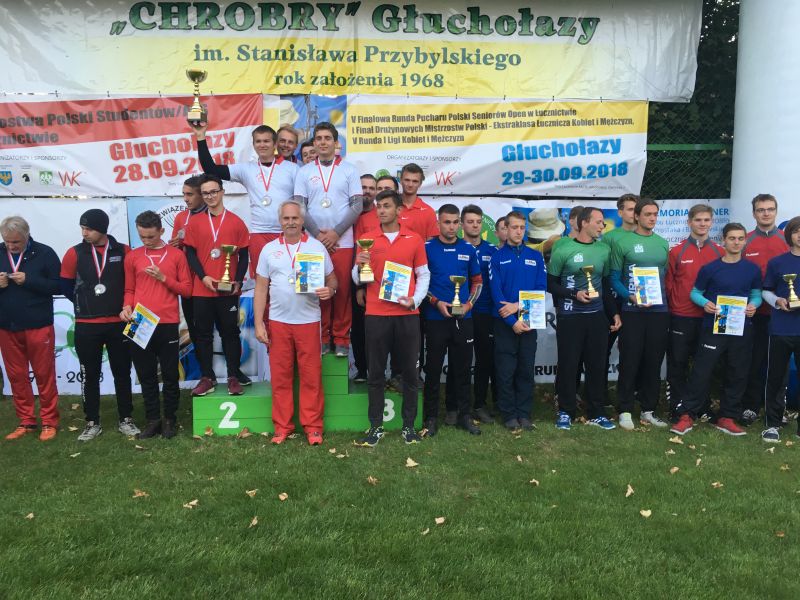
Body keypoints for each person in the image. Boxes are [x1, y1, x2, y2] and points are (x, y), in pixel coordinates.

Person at [254, 200, 337, 445]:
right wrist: (259, 323)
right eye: (286, 218)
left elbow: (332, 279)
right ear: (280, 221)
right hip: (278, 322)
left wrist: (330, 291)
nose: (290, 222)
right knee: (281, 378)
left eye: (295, 218)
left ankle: (313, 427)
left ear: (302, 221)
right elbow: (261, 289)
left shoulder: (316, 247)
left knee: (311, 377)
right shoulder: (269, 250)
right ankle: (282, 427)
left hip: (308, 321)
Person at [353, 190, 430, 447]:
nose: (381, 210)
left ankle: (409, 427)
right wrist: (359, 266)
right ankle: (376, 426)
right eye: (379, 206)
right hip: (376, 314)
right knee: (375, 373)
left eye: (386, 206)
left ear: (399, 210)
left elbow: (423, 274)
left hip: (407, 315)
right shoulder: (366, 239)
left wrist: (415, 300)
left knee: (410, 373)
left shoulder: (414, 239)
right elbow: (357, 279)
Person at [670, 223, 762, 437]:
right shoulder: (710, 268)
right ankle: (687, 414)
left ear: (745, 241)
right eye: (732, 238)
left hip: (741, 328)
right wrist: (705, 303)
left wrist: (753, 305)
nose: (736, 242)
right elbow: (695, 293)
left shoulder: (752, 269)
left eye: (740, 238)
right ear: (723, 241)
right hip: (714, 327)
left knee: (737, 372)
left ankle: (727, 417)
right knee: (701, 371)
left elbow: (756, 295)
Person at [61, 209, 137, 440]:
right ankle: (92, 421)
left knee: (122, 372)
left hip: (119, 323)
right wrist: (85, 302)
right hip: (87, 324)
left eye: (89, 229)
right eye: (82, 228)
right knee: (89, 374)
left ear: (102, 229)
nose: (84, 233)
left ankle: (126, 418)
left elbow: (133, 283)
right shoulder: (74, 253)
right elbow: (65, 285)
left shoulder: (124, 251)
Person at [192, 122, 298, 281]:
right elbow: (211, 169)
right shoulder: (245, 169)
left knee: (289, 278)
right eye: (258, 141)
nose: (262, 145)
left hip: (287, 232)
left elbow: (302, 203)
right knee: (262, 281)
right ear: (253, 144)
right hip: (259, 233)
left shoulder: (293, 169)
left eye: (266, 141)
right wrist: (200, 137)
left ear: (275, 144)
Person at [548, 207, 621, 430]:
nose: (602, 226)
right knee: (569, 365)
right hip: (570, 316)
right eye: (598, 222)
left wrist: (614, 313)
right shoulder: (563, 248)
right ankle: (565, 411)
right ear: (583, 223)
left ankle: (596, 412)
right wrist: (574, 294)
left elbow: (605, 285)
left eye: (602, 222)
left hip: (597, 317)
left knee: (597, 365)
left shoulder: (603, 250)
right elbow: (550, 284)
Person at [122, 211, 193, 439]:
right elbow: (129, 289)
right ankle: (153, 420)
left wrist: (164, 279)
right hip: (139, 320)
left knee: (170, 374)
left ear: (161, 231)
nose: (146, 241)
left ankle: (170, 419)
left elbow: (187, 290)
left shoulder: (176, 256)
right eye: (142, 237)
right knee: (146, 374)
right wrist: (126, 306)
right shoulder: (133, 257)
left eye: (151, 236)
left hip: (167, 321)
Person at [294, 122, 363, 357]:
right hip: (313, 241)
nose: (323, 142)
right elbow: (300, 207)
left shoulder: (350, 170)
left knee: (341, 291)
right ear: (314, 143)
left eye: (327, 138)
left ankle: (341, 339)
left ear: (336, 143)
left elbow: (357, 206)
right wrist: (318, 235)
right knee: (317, 289)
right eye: (319, 138)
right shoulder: (304, 172)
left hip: (343, 241)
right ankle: (322, 337)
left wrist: (335, 233)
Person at [183, 174, 250, 396]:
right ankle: (207, 377)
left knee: (230, 332)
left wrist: (237, 281)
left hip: (227, 290)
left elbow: (244, 255)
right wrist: (203, 277)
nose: (210, 196)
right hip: (202, 289)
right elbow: (190, 253)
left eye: (213, 192)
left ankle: (233, 376)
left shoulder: (236, 222)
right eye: (205, 193)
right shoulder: (195, 222)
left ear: (222, 192)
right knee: (202, 334)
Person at [422, 204, 482, 436]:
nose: (451, 226)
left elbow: (477, 282)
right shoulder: (427, 248)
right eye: (447, 222)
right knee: (433, 370)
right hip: (435, 318)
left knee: (463, 369)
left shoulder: (468, 249)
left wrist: (468, 305)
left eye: (455, 222)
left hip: (463, 318)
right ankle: (430, 417)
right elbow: (420, 283)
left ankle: (463, 415)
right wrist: (436, 302)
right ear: (438, 223)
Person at [610, 199, 670, 430]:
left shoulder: (662, 243)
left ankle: (648, 409)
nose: (652, 218)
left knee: (653, 361)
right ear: (636, 216)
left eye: (655, 214)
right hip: (632, 310)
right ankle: (625, 409)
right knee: (630, 359)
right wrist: (630, 296)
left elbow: (664, 277)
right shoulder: (622, 243)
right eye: (647, 214)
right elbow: (614, 278)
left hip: (659, 311)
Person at [0, 216, 61, 441]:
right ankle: (26, 421)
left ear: (27, 236)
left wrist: (30, 280)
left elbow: (59, 285)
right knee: (17, 376)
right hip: (6, 325)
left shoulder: (44, 253)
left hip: (38, 324)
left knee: (44, 375)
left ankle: (49, 421)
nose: (11, 246)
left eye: (16, 242)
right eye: (7, 241)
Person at [489, 211, 547, 431]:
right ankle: (509, 415)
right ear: (506, 229)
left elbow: (541, 289)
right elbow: (496, 294)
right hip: (505, 323)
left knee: (525, 370)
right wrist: (512, 321)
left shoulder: (535, 256)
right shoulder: (497, 258)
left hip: (529, 319)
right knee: (506, 372)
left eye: (522, 228)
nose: (518, 231)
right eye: (514, 227)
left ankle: (524, 413)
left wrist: (519, 306)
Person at [665, 204, 722, 419]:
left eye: (706, 220)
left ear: (712, 222)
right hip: (681, 316)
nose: (702, 224)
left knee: (705, 365)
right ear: (689, 222)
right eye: (698, 220)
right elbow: (669, 284)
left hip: (710, 317)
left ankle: (702, 407)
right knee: (678, 364)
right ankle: (677, 407)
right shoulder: (676, 251)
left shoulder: (719, 252)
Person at [741, 194, 789, 424]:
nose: (766, 213)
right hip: (753, 314)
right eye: (761, 210)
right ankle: (750, 406)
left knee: (779, 364)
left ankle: (777, 409)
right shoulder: (745, 241)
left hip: (784, 314)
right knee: (753, 360)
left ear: (776, 212)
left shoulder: (787, 240)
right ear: (754, 213)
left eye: (770, 209)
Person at [759, 216, 800, 442]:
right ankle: (772, 424)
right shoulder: (777, 263)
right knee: (775, 377)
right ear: (789, 234)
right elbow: (766, 290)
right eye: (796, 231)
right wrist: (777, 301)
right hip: (781, 329)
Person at [460, 204, 497, 423]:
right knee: (461, 361)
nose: (475, 225)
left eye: (478, 222)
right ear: (462, 224)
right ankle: (459, 405)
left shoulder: (492, 250)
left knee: (484, 360)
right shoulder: (457, 247)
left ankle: (480, 404)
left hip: (484, 313)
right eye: (470, 222)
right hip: (461, 312)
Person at [600, 194, 638, 402]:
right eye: (630, 209)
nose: (634, 213)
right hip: (613, 302)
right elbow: (604, 274)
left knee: (633, 351)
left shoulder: (648, 237)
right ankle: (600, 394)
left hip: (639, 304)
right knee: (603, 349)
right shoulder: (610, 238)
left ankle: (631, 393)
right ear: (620, 212)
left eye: (636, 209)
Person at [351, 174, 379, 382]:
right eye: (363, 187)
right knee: (356, 325)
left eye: (371, 188)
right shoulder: (349, 213)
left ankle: (376, 371)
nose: (367, 191)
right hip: (349, 272)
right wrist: (358, 286)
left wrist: (362, 285)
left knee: (373, 327)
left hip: (371, 277)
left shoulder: (379, 215)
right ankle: (361, 369)